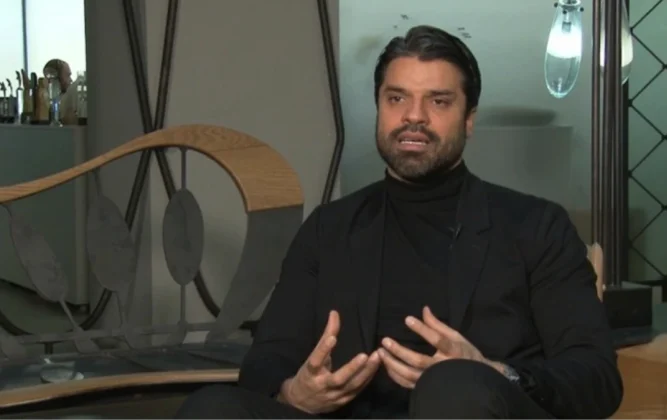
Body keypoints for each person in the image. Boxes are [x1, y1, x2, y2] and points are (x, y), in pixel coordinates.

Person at [175, 25, 623, 420]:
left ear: (469, 120)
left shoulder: (536, 226)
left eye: (438, 101)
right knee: (212, 408)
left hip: (470, 409)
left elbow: (596, 379)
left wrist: (494, 373)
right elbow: (265, 361)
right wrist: (295, 392)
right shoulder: (329, 228)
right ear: (379, 107)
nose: (414, 116)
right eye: (397, 98)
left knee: (455, 385)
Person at [43, 58, 79, 124]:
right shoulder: (45, 102)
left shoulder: (69, 96)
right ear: (55, 77)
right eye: (68, 75)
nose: (71, 80)